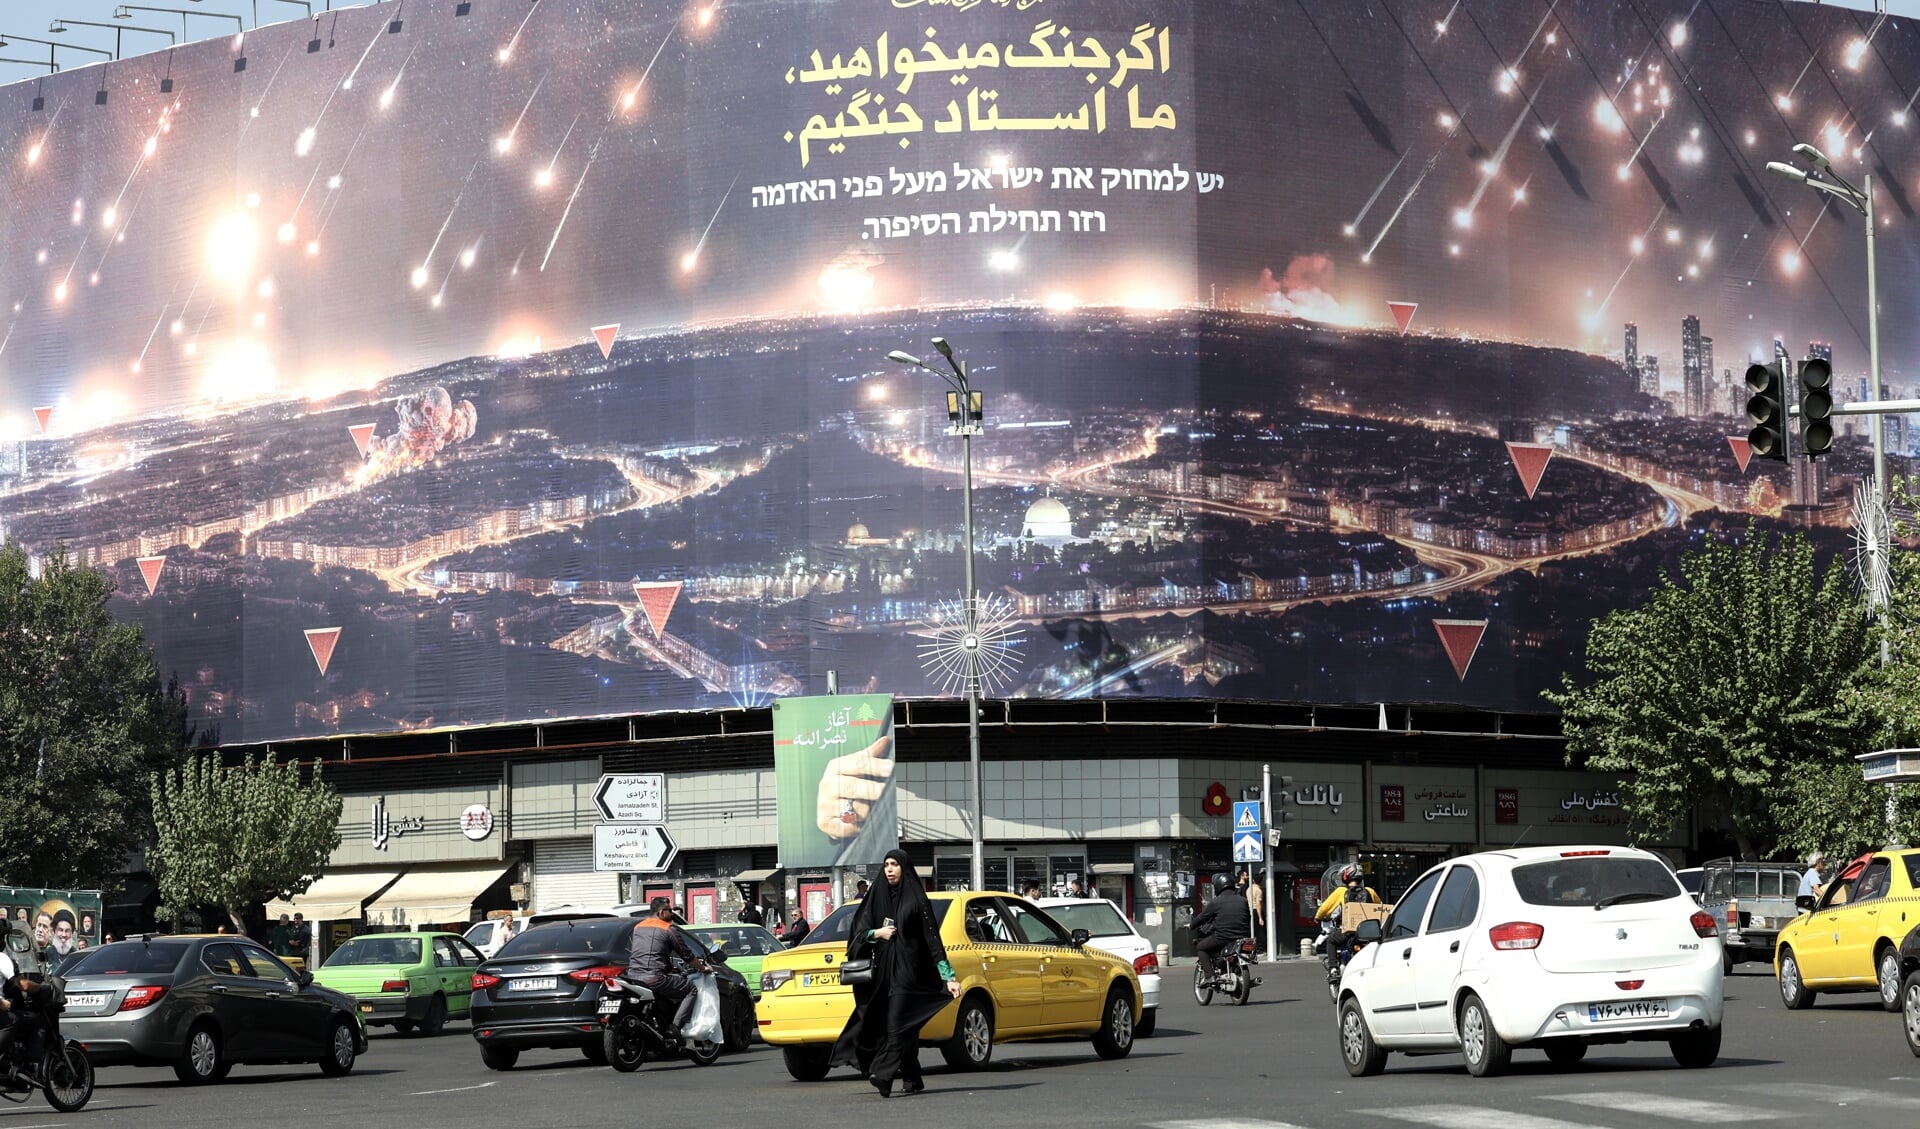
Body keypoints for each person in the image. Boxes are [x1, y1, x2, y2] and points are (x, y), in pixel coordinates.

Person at [831, 848, 961, 1098]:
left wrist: (949, 976)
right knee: (898, 1024)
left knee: (897, 1023)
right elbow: (858, 933)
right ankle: (912, 1077)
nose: (889, 869)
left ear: (904, 868)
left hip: (910, 973)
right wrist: (876, 934)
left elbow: (933, 939)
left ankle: (884, 1074)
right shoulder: (875, 897)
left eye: (894, 864)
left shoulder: (917, 899)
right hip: (882, 973)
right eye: (886, 864)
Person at [626, 898, 710, 1040]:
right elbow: (686, 955)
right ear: (661, 912)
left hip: (633, 976)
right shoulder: (668, 929)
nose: (671, 914)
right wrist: (702, 968)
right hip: (654, 977)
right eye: (669, 911)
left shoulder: (638, 927)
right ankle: (675, 1028)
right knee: (691, 989)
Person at [1315, 865, 1381, 963]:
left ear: (1347, 875)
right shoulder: (1370, 891)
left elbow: (1325, 908)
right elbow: (1380, 907)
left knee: (1331, 941)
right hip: (1368, 933)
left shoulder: (1341, 891)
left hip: (1349, 931)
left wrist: (1318, 917)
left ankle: (1333, 969)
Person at [1191, 873, 1251, 980]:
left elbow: (1202, 917)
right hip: (1241, 937)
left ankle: (1210, 976)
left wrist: (1192, 925)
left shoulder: (1216, 902)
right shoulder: (1243, 900)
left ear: (1218, 886)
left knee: (1201, 947)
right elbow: (1248, 918)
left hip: (1223, 937)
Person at [1239, 869, 1265, 939]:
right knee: (1260, 931)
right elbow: (1258, 904)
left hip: (1249, 910)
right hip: (1256, 911)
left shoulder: (1248, 889)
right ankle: (1260, 948)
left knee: (1251, 930)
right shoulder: (1258, 891)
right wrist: (1260, 917)